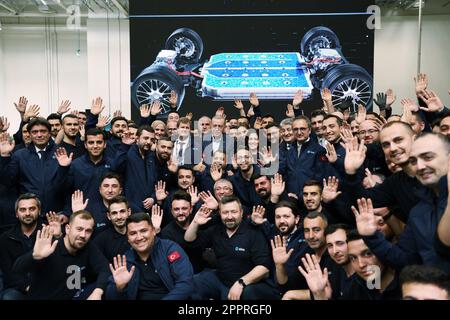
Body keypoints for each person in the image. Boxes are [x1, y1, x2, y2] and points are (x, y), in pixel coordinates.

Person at [354, 133, 450, 274]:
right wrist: (371, 237)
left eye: (428, 157)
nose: (420, 166)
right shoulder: (419, 212)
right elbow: (405, 260)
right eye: (413, 161)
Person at [185, 196, 279, 300]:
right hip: (221, 278)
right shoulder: (216, 229)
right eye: (225, 212)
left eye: (234, 212)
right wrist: (195, 222)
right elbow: (189, 240)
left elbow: (264, 268)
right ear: (220, 213)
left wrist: (240, 283)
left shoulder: (253, 232)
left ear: (241, 213)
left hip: (246, 283)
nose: (229, 217)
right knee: (191, 283)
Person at [13, 210, 109, 300]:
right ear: (67, 229)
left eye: (88, 231)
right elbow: (17, 269)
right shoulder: (50, 248)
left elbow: (105, 268)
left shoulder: (88, 246)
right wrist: (34, 256)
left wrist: (98, 291)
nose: (83, 235)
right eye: (79, 229)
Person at [105, 212, 194, 300]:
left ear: (154, 231)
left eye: (143, 231)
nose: (139, 237)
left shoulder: (170, 249)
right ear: (128, 238)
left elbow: (185, 284)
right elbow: (110, 296)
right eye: (133, 233)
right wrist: (119, 287)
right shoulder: (126, 261)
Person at [0, 117, 73, 214]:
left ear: (49, 132)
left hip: (56, 214)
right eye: (35, 132)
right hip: (28, 214)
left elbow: (69, 187)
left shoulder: (61, 153)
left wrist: (67, 212)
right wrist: (4, 156)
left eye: (43, 131)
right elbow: (8, 182)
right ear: (29, 134)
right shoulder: (19, 155)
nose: (39, 135)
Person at [0, 194, 61, 300]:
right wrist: (27, 287)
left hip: (48, 286)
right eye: (23, 210)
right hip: (20, 288)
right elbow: (8, 272)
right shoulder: (6, 237)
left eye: (32, 209)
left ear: (39, 211)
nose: (27, 213)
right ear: (17, 214)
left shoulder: (49, 230)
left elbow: (62, 261)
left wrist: (58, 237)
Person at [160, 191, 209, 273]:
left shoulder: (201, 221)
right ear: (171, 211)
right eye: (176, 209)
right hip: (181, 273)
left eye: (184, 208)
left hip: (203, 272)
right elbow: (171, 258)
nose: (180, 212)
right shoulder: (166, 232)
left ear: (191, 209)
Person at [93, 196, 131, 262]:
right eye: (114, 213)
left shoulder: (138, 234)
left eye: (122, 211)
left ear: (129, 212)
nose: (119, 217)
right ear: (108, 216)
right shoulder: (101, 240)